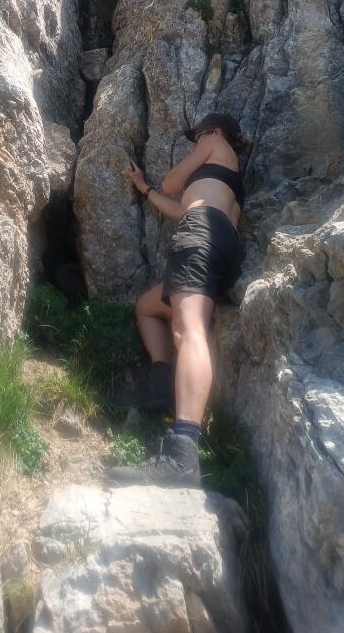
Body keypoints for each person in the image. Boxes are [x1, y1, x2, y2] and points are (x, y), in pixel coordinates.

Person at [109, 113, 248, 487]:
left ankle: (183, 454)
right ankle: (161, 383)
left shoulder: (214, 142)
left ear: (214, 132)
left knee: (189, 330)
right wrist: (143, 188)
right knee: (148, 307)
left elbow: (173, 182)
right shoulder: (221, 182)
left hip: (200, 233)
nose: (194, 145)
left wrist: (169, 177)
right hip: (220, 242)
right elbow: (177, 207)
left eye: (196, 138)